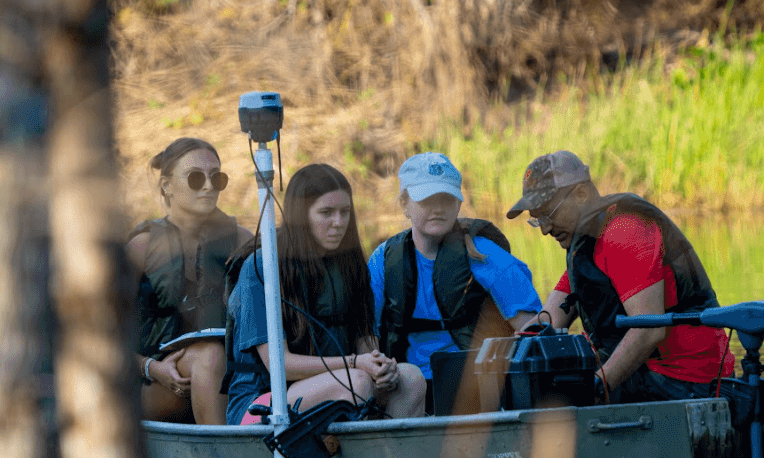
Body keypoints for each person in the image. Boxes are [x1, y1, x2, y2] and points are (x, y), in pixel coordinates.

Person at [505, 150, 734, 403]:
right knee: (535, 383)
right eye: (538, 220)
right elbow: (548, 321)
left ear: (581, 194)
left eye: (549, 214)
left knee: (559, 395)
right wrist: (507, 359)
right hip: (647, 373)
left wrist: (596, 386)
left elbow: (649, 331)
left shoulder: (624, 232)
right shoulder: (586, 246)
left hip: (686, 379)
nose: (545, 229)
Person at [226, 162, 426, 425]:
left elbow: (367, 346)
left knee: (410, 377)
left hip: (346, 381)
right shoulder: (262, 267)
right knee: (356, 382)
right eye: (326, 213)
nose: (339, 222)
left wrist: (379, 367)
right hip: (262, 402)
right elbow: (280, 365)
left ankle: (388, 453)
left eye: (345, 212)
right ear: (301, 216)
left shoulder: (350, 265)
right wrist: (356, 363)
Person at [368, 152, 541, 411]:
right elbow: (367, 338)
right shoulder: (383, 261)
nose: (438, 208)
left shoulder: (486, 256)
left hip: (478, 387)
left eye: (446, 199)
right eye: (427, 199)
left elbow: (534, 332)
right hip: (407, 388)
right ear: (405, 204)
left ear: (458, 203)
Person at [128, 137, 255, 425]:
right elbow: (104, 333)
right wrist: (151, 368)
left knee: (213, 357)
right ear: (167, 186)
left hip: (231, 378)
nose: (209, 186)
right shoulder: (141, 247)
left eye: (217, 178)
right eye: (196, 178)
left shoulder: (242, 242)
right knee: (210, 356)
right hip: (152, 384)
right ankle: (223, 452)